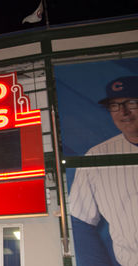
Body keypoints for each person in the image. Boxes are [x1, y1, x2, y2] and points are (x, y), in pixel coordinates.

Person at [69, 76, 138, 266]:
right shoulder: (96, 157)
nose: (123, 112)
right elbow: (79, 223)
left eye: (131, 102)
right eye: (114, 105)